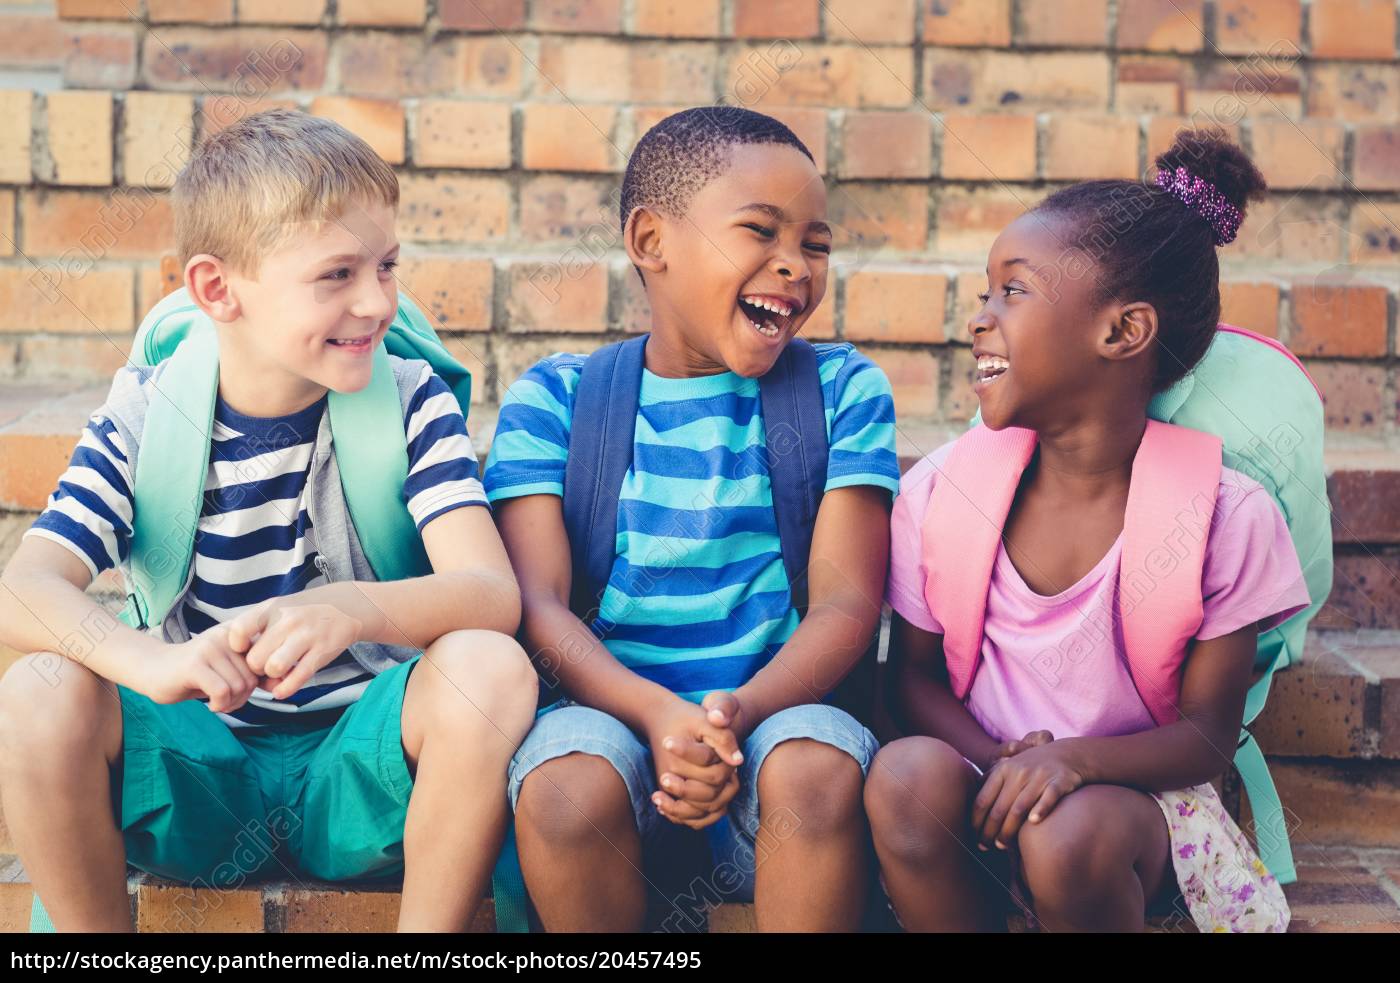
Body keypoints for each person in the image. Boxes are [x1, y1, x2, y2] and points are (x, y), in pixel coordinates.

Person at [0, 109, 535, 932]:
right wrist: (148, 662)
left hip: (365, 780)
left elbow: (493, 592)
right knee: (37, 687)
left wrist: (352, 607)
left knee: (489, 666)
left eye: (387, 266)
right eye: (337, 275)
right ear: (219, 289)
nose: (378, 301)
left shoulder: (410, 400)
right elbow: (24, 590)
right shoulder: (149, 414)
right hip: (198, 775)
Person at [868, 131, 1309, 933]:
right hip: (988, 785)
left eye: (1013, 292)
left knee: (1066, 834)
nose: (980, 318)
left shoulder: (1225, 516)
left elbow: (1207, 736)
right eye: (985, 292)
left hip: (1130, 815)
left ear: (1122, 332)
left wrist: (1071, 761)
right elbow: (912, 683)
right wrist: (1006, 759)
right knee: (903, 774)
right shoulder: (941, 494)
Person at [483, 106, 901, 932]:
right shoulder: (556, 401)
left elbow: (847, 607)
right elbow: (539, 605)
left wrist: (730, 717)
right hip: (615, 753)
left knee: (816, 761)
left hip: (772, 746)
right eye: (760, 232)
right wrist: (657, 718)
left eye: (814, 244)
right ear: (650, 241)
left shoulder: (844, 392)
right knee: (564, 782)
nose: (794, 267)